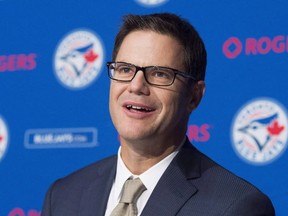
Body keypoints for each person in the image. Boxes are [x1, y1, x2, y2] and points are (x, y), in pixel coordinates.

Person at [41, 13, 275, 215]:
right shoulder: (62, 196)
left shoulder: (236, 207)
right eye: (125, 69)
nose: (136, 86)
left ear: (194, 96)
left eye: (160, 74)